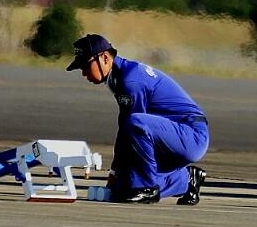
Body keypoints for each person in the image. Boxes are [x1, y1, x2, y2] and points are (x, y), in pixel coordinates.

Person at [66, 33, 209, 205]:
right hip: (169, 137)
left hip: (191, 135)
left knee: (135, 125)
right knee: (123, 188)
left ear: (104, 58)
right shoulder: (118, 76)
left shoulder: (130, 81)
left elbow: (132, 129)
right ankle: (186, 180)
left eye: (85, 66)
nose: (83, 73)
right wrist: (117, 175)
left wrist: (115, 172)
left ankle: (148, 187)